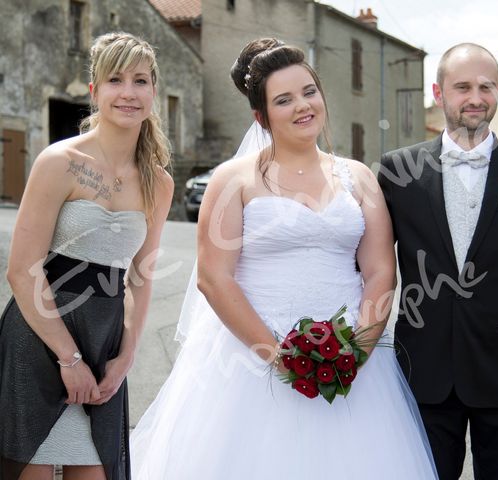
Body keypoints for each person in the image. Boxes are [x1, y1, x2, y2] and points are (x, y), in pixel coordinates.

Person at [130, 38, 438, 479]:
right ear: (261, 116)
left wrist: (356, 350)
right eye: (284, 99)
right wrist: (279, 356)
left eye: (309, 91)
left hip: (354, 359)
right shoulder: (232, 180)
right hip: (251, 361)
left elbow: (379, 270)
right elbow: (214, 278)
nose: (302, 106)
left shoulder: (358, 177)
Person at [378, 43, 498, 480]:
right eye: (462, 86)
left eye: (486, 86)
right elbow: (371, 268)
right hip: (423, 370)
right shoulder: (396, 172)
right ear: (439, 92)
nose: (476, 97)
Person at [0, 32, 174, 480]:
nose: (129, 93)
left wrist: (126, 356)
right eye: (116, 80)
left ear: (154, 91)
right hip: (40, 336)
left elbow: (141, 276)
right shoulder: (60, 161)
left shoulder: (159, 182)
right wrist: (67, 359)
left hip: (104, 348)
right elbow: (21, 270)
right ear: (95, 92)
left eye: (140, 80)